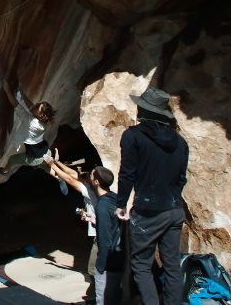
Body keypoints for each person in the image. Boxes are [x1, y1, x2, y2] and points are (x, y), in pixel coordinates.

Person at [115, 86, 189, 305]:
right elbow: (181, 178)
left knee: (140, 264)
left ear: (144, 112)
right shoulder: (181, 143)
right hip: (175, 209)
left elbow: (127, 173)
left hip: (148, 210)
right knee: (172, 265)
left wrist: (121, 204)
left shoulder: (132, 136)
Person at [45, 154, 100, 278]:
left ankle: (99, 290)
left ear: (96, 181)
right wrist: (57, 163)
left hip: (100, 233)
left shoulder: (91, 192)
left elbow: (71, 180)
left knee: (93, 268)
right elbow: (75, 175)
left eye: (90, 175)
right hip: (98, 229)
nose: (86, 176)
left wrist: (52, 165)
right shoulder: (97, 187)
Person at [0, 78, 56, 175]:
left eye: (39, 106)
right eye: (39, 104)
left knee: (12, 160)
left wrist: (7, 90)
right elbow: (31, 106)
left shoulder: (32, 122)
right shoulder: (43, 121)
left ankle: (4, 171)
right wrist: (21, 92)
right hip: (44, 151)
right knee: (42, 161)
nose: (37, 104)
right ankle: (42, 164)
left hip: (34, 158)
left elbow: (16, 105)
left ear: (41, 115)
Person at [91, 166, 124, 305]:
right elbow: (114, 224)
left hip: (108, 263)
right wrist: (96, 221)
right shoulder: (115, 198)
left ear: (96, 182)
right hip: (119, 257)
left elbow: (104, 240)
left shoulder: (102, 206)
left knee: (103, 300)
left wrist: (101, 265)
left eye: (91, 176)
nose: (90, 178)